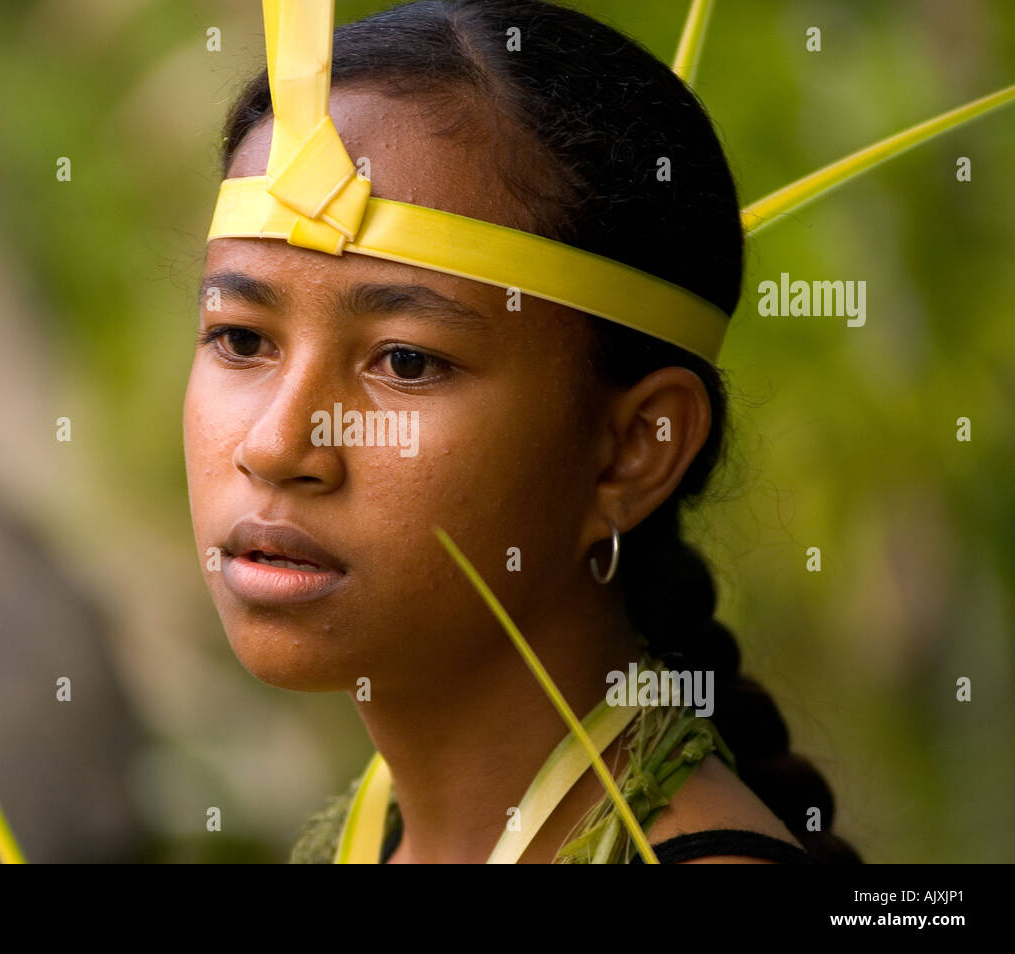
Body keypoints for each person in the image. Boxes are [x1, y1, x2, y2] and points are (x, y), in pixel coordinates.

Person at [183, 0, 861, 863]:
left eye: (407, 362)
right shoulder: (372, 835)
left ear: (632, 447)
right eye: (241, 340)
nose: (277, 446)